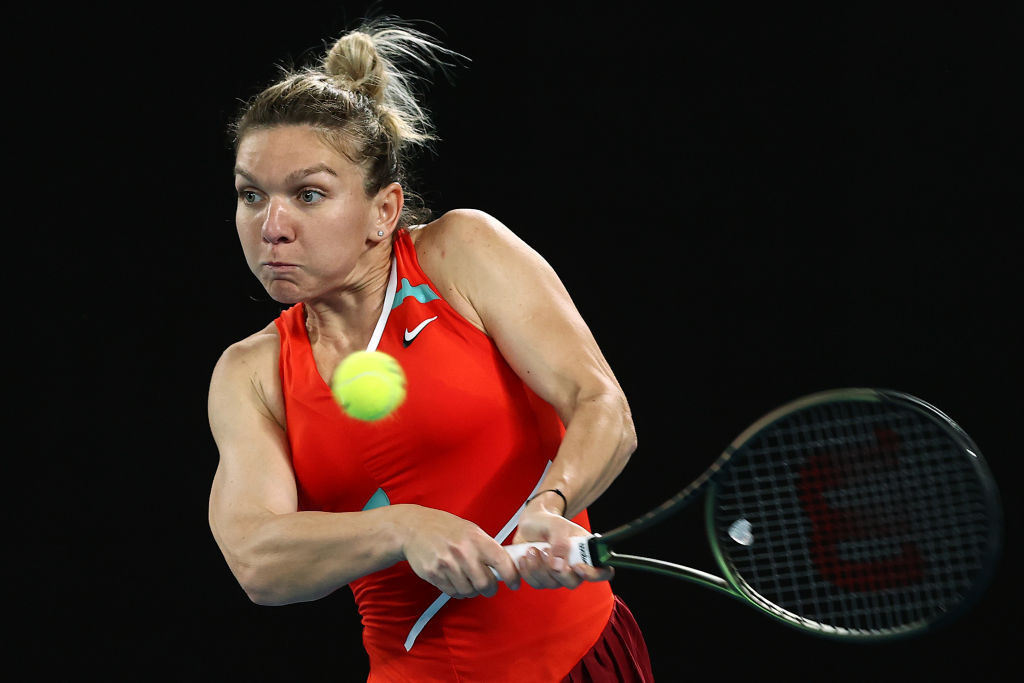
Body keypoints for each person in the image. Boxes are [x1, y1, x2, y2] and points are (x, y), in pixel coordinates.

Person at [207, 17, 654, 682]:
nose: (272, 227)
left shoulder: (460, 255)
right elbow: (256, 557)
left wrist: (550, 505)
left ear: (384, 211)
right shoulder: (251, 373)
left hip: (580, 659)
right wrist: (403, 528)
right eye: (252, 195)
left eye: (308, 194)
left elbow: (602, 406)